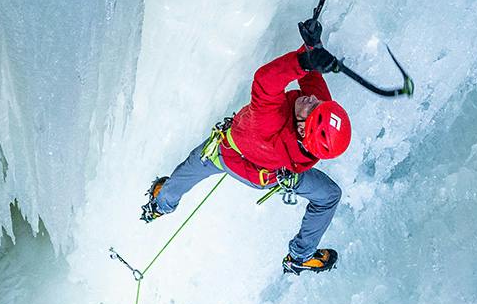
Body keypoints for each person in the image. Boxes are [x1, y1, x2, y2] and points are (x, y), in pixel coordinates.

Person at [140, 18, 355, 272]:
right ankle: (300, 257)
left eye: (312, 106)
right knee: (329, 196)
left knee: (188, 170)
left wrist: (302, 62)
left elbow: (265, 82)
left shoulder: (269, 122)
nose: (313, 99)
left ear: (300, 128)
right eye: (318, 104)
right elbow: (311, 82)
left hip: (227, 154)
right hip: (272, 175)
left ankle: (159, 205)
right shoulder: (314, 125)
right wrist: (312, 47)